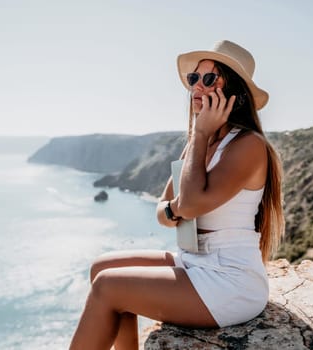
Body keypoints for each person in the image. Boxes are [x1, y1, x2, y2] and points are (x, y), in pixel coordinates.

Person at [69, 40, 285, 350]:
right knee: (101, 268)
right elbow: (162, 214)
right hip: (193, 260)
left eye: (209, 79)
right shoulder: (198, 147)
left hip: (230, 279)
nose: (197, 87)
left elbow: (193, 205)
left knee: (108, 286)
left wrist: (199, 133)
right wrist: (178, 206)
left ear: (234, 93)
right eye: (193, 79)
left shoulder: (248, 145)